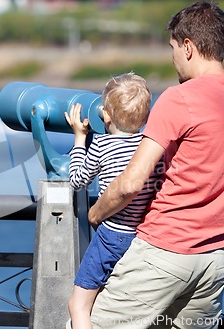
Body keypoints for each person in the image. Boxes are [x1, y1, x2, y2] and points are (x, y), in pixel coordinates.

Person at [86, 1, 224, 329]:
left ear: (188, 46)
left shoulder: (178, 98)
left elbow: (130, 183)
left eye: (172, 48)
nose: (172, 58)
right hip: (212, 259)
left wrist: (95, 213)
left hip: (161, 252)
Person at [64, 73, 162, 329]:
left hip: (109, 237)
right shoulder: (150, 149)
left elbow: (77, 180)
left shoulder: (102, 145)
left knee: (79, 305)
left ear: (106, 115)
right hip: (142, 238)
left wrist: (78, 138)